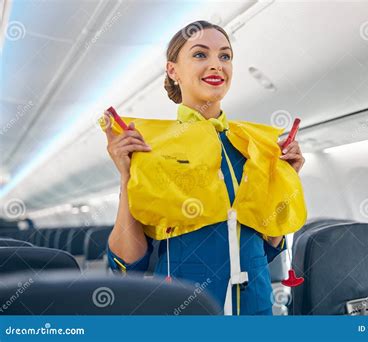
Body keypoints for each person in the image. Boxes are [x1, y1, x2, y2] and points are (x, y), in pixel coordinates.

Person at [103, 20, 305, 315]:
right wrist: (126, 177)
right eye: (200, 55)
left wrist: (285, 178)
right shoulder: (153, 147)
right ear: (173, 70)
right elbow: (127, 262)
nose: (216, 65)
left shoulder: (253, 145)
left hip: (256, 306)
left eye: (225, 56)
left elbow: (267, 247)